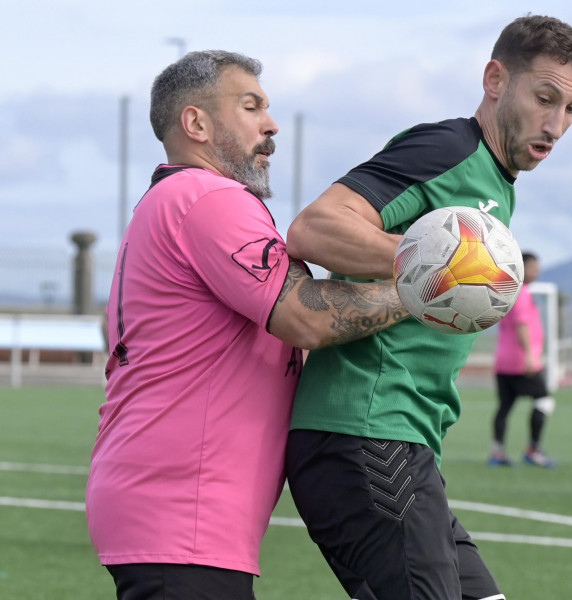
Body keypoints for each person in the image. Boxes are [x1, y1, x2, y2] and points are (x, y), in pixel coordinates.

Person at [284, 16, 572, 600]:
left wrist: (444, 272)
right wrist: (441, 267)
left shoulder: (498, 184)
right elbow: (314, 229)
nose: (556, 125)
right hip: (365, 433)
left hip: (407, 445)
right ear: (496, 80)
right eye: (545, 98)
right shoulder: (449, 149)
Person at [85, 50, 408, 600]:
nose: (271, 124)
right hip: (181, 511)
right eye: (251, 106)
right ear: (196, 124)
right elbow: (305, 316)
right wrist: (425, 290)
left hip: (174, 511)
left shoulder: (171, 201)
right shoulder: (207, 196)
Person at [488, 251, 558, 468]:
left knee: (505, 406)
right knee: (544, 400)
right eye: (534, 268)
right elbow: (521, 325)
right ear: (522, 267)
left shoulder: (509, 291)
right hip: (520, 363)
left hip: (503, 362)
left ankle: (497, 451)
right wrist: (530, 356)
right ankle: (533, 450)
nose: (537, 272)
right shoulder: (521, 292)